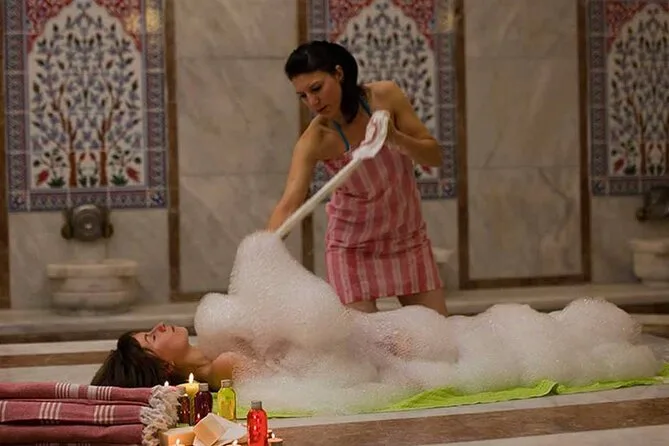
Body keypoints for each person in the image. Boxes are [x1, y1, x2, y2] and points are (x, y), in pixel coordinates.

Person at [267, 40, 447, 316]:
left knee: (438, 334)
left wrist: (396, 139)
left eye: (316, 88)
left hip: (408, 238)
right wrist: (260, 252)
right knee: (362, 340)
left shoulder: (385, 97)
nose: (313, 102)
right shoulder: (315, 140)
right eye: (303, 96)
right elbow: (290, 203)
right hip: (352, 248)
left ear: (339, 73)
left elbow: (434, 156)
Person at [91, 323, 253, 390]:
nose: (160, 325)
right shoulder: (224, 365)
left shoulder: (215, 345)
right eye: (153, 337)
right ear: (165, 366)